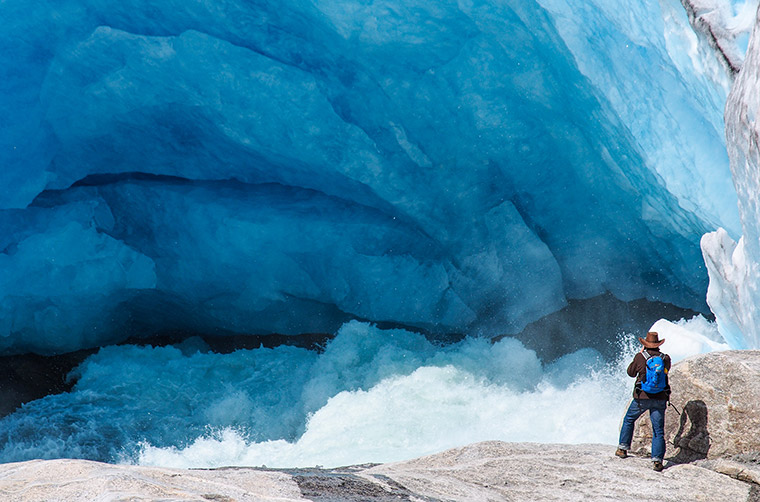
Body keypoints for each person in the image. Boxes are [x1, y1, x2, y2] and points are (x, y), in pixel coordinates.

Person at [615, 331, 671, 472]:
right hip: (660, 398)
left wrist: (639, 356)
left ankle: (622, 449)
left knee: (629, 419)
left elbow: (631, 373)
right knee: (658, 431)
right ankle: (657, 461)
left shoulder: (641, 357)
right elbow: (665, 372)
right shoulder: (665, 358)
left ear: (645, 344)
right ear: (658, 345)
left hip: (642, 397)